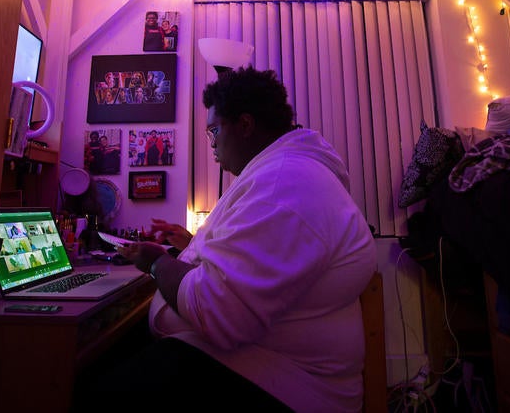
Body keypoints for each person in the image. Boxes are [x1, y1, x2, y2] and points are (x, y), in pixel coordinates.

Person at [81, 67, 377, 412]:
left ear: (245, 125)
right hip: (262, 363)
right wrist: (190, 245)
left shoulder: (284, 184)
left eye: (214, 131)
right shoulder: (284, 174)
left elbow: (213, 310)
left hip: (285, 385)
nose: (212, 145)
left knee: (94, 388)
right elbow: (253, 259)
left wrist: (156, 262)